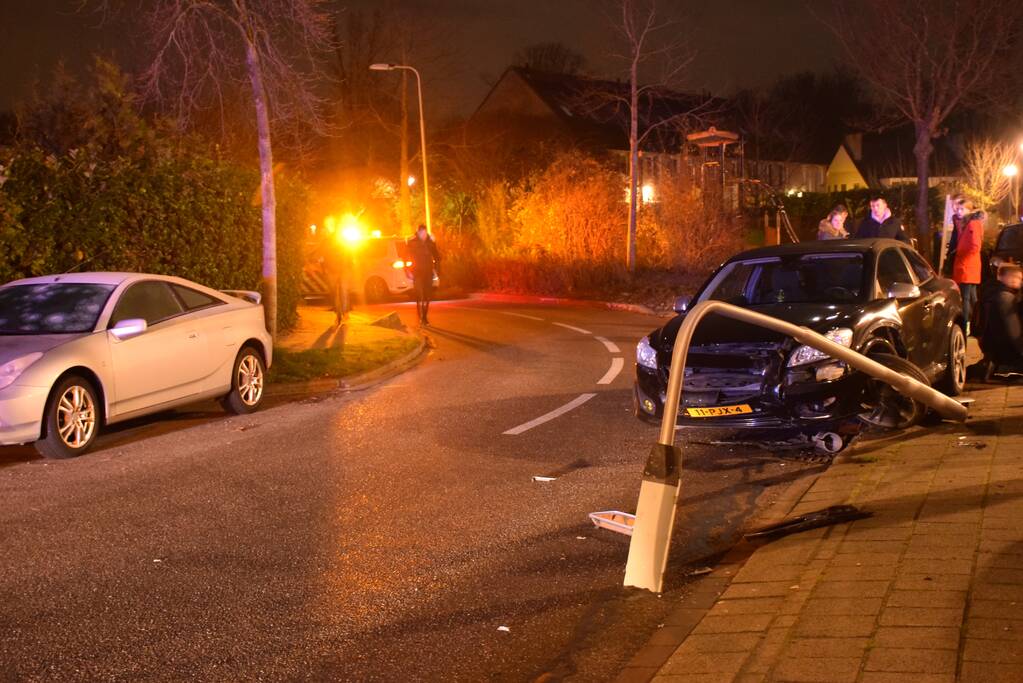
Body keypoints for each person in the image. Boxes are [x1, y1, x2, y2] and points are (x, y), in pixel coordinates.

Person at [977, 263, 1023, 375]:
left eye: (1020, 278)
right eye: (1016, 277)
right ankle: (1002, 367)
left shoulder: (990, 293)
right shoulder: (1005, 297)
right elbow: (1013, 331)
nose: (1019, 281)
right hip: (1006, 350)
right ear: (1003, 277)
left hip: (990, 347)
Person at [951, 197, 984, 334]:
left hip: (967, 265)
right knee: (972, 297)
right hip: (967, 265)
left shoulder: (972, 224)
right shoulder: (967, 223)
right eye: (958, 209)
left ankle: (966, 325)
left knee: (965, 297)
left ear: (969, 210)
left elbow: (975, 246)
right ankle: (978, 323)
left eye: (962, 209)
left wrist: (961, 254)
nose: (959, 211)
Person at [406, 224, 441, 326]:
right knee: (420, 295)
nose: (423, 234)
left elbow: (437, 256)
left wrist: (436, 270)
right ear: (418, 232)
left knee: (427, 295)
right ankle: (421, 315)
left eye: (425, 232)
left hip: (428, 272)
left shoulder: (430, 242)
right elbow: (406, 257)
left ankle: (424, 316)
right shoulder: (412, 242)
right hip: (417, 272)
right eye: (421, 232)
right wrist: (408, 271)